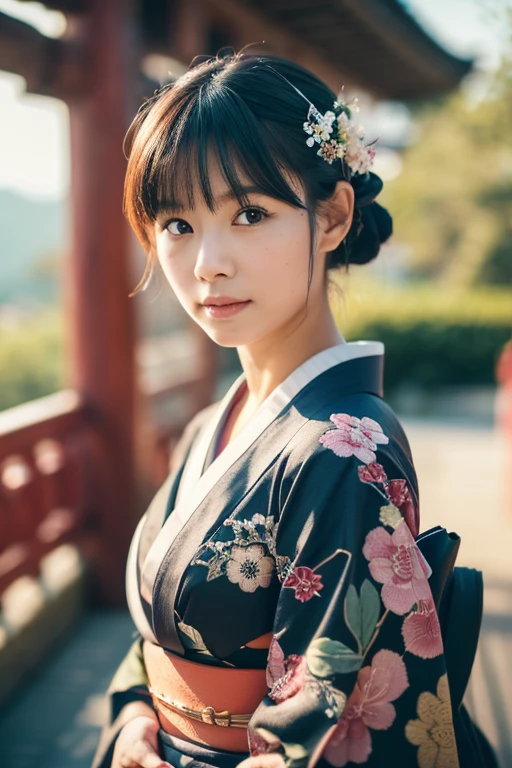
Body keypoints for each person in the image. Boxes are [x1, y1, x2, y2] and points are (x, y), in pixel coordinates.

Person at [91, 50, 487, 768]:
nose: (207, 261)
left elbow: (332, 720)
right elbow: (161, 630)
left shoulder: (344, 450)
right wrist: (132, 722)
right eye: (176, 223)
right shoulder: (215, 424)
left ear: (332, 215)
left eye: (249, 213)